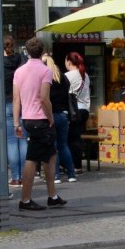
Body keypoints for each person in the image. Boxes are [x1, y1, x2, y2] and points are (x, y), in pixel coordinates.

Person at [14, 36, 65, 211]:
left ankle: (53, 196)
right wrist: (50, 117)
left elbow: (16, 99)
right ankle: (25, 200)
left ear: (27, 51)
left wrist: (16, 123)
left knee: (50, 154)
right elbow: (44, 98)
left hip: (27, 118)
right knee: (32, 158)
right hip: (41, 119)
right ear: (42, 51)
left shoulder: (19, 72)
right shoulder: (45, 71)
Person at [45, 55, 76, 183]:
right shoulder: (63, 77)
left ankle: (56, 175)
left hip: (51, 115)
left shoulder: (46, 79)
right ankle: (71, 174)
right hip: (63, 114)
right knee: (63, 145)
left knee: (54, 146)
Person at [2, 35, 26, 188]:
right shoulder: (21, 60)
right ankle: (25, 175)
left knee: (11, 142)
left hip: (7, 103)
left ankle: (15, 178)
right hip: (22, 103)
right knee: (23, 140)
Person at [65, 52, 90, 175]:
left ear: (69, 62)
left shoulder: (68, 76)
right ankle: (78, 165)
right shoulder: (85, 75)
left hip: (74, 111)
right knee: (77, 138)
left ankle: (72, 165)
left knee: (70, 139)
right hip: (85, 110)